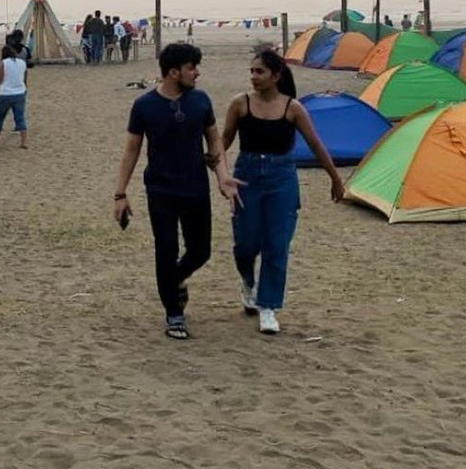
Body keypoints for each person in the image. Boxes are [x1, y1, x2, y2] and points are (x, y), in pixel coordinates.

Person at [113, 43, 237, 340]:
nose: (197, 73)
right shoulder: (144, 106)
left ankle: (175, 280)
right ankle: (174, 313)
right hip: (161, 189)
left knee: (200, 251)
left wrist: (223, 177)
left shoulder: (201, 101)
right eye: (192, 67)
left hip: (195, 187)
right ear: (173, 72)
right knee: (165, 251)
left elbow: (214, 141)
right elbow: (131, 150)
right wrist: (120, 193)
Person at [219, 49, 346, 335]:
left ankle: (268, 307)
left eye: (260, 72)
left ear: (276, 76)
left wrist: (335, 179)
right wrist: (215, 168)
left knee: (277, 245)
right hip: (247, 176)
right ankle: (247, 281)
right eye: (252, 71)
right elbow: (223, 141)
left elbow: (315, 144)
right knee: (246, 243)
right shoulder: (240, 104)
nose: (254, 77)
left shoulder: (293, 108)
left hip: (282, 179)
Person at [0, 43, 28, 149]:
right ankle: (23, 142)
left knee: (0, 117)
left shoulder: (4, 63)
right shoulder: (22, 63)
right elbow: (24, 79)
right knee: (20, 118)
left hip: (6, 93)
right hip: (19, 92)